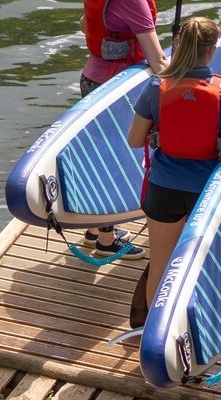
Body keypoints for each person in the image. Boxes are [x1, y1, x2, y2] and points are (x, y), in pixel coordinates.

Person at [125, 17, 221, 329]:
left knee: (161, 267)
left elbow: (134, 140)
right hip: (206, 195)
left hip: (163, 190)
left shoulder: (156, 88)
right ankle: (193, 335)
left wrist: (161, 130)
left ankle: (153, 336)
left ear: (179, 48)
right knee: (202, 267)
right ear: (211, 51)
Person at [78, 0, 170, 261]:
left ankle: (93, 228)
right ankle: (107, 241)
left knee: (98, 157)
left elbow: (84, 24)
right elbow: (158, 59)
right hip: (116, 90)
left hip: (91, 78)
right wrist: (183, 84)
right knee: (115, 162)